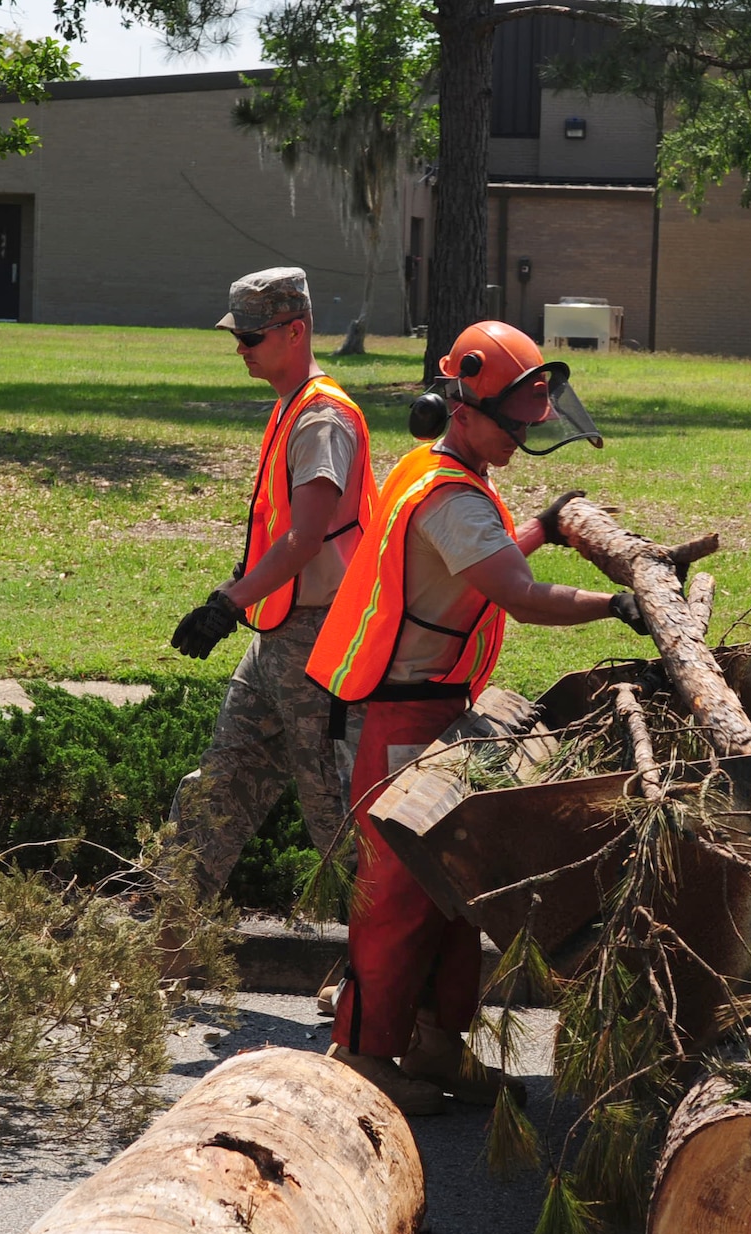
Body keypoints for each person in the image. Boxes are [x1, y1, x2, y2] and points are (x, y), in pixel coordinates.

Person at [306, 319, 644, 1114]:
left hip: (428, 709)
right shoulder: (450, 496)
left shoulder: (439, 470)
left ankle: (434, 1043)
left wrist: (546, 523)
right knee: (396, 898)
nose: (523, 439)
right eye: (513, 424)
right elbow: (518, 597)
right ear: (461, 406)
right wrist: (615, 604)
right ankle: (362, 1054)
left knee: (452, 896)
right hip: (403, 720)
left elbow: (484, 557)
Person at [165, 267, 376, 930]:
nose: (241, 347)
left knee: (336, 812)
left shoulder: (321, 418)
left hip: (320, 641)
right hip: (276, 636)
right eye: (237, 334)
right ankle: (167, 941)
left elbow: (306, 537)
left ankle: (375, 972)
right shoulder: (290, 405)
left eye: (252, 335)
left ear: (296, 329)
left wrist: (228, 602)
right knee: (218, 786)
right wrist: (243, 594)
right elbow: (280, 533)